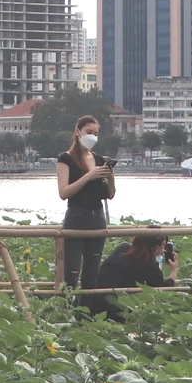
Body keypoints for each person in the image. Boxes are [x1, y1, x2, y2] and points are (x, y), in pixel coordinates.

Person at [56, 115, 116, 301]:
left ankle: (87, 313)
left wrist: (110, 177)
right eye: (89, 132)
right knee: (72, 271)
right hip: (76, 216)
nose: (92, 137)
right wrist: (88, 176)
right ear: (78, 132)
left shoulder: (98, 159)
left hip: (97, 217)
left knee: (92, 271)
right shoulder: (65, 159)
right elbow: (64, 192)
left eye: (96, 134)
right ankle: (66, 308)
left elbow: (110, 194)